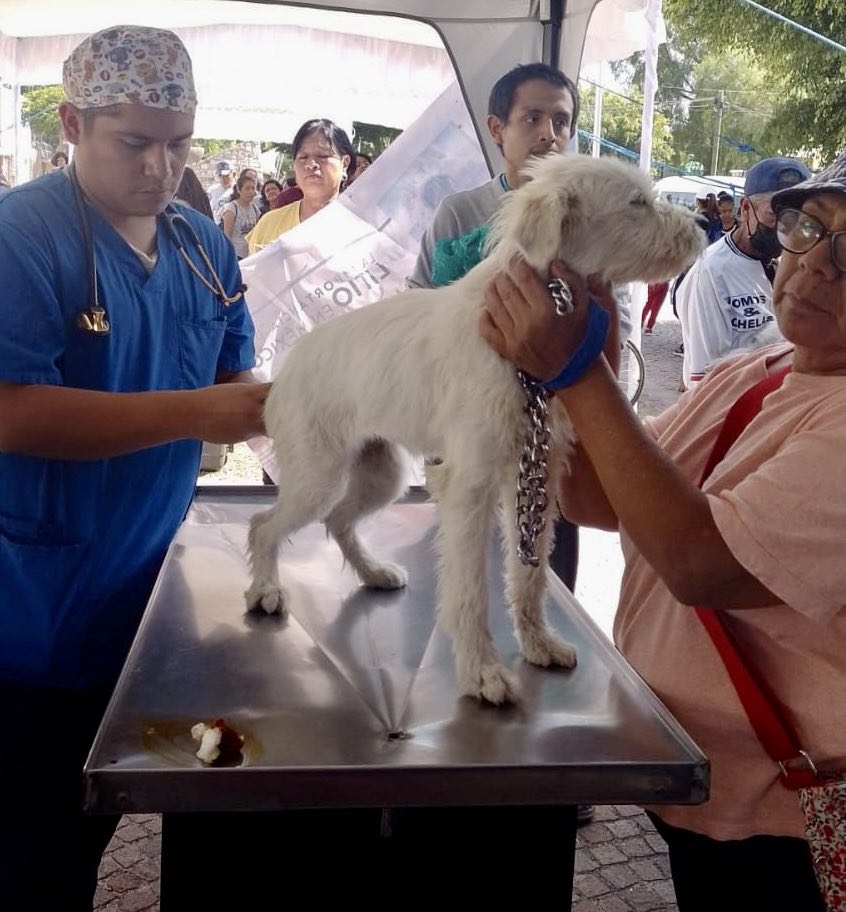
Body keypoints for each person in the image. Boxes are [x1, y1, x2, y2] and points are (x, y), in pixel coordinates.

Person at [479, 151, 846, 912]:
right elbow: (606, 499)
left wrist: (576, 372)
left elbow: (696, 561)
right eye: (810, 227)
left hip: (789, 816)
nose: (814, 265)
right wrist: (599, 328)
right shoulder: (766, 371)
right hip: (708, 789)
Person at [0, 25, 269, 910]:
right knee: (33, 852)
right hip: (35, 606)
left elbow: (241, 384)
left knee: (122, 809)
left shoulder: (203, 247)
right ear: (72, 123)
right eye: (135, 143)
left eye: (179, 143)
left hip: (151, 597)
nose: (161, 168)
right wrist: (199, 414)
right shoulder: (22, 238)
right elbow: (12, 411)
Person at [675, 156, 811, 387]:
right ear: (746, 208)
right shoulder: (712, 271)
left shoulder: (788, 263)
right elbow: (705, 379)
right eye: (775, 214)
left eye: (797, 217)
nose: (786, 227)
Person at [245, 118, 353, 255]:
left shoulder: (365, 226)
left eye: (322, 156)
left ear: (344, 164)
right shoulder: (269, 224)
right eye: (303, 157)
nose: (311, 164)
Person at [221, 171, 262, 258]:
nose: (251, 192)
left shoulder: (255, 210)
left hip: (250, 254)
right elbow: (227, 236)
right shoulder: (232, 209)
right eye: (247, 188)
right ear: (239, 190)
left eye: (253, 188)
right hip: (236, 254)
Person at [208, 158, 234, 223]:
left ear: (233, 174)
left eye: (226, 176)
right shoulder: (212, 190)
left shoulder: (239, 190)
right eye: (220, 176)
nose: (223, 179)